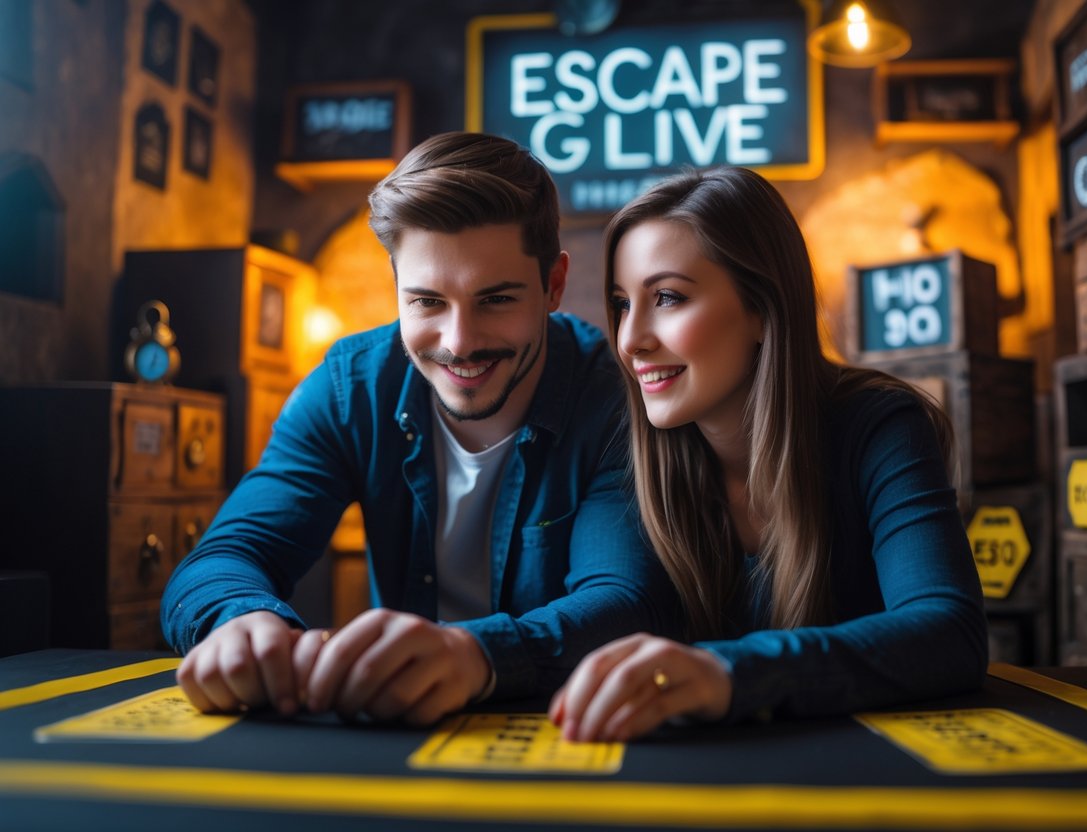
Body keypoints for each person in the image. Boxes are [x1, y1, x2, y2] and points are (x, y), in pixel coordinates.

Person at [163, 132, 677, 724]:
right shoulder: (348, 388)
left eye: (496, 299)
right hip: (392, 732)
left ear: (553, 286)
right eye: (428, 302)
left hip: (561, 729)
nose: (459, 343)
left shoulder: (613, 397)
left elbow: (627, 602)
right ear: (396, 289)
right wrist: (242, 623)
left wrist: (475, 654)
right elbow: (221, 558)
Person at [550, 167, 988, 742]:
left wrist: (726, 673)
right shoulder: (630, 450)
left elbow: (948, 631)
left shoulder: (879, 426)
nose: (631, 340)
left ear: (762, 308)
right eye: (621, 305)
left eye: (667, 298)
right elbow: (610, 603)